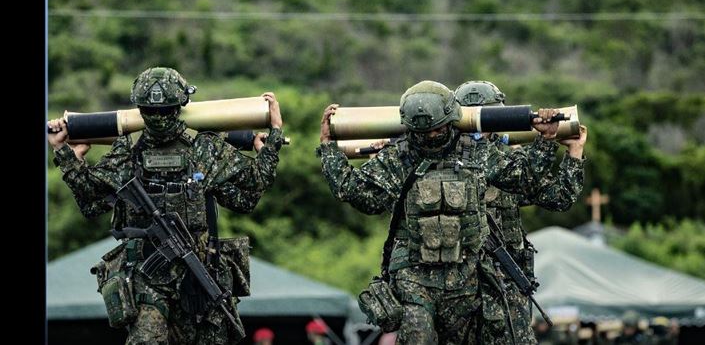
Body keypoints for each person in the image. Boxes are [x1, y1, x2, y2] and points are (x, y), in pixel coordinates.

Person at [316, 80, 584, 344]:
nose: (433, 136)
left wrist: (553, 144)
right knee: (418, 334)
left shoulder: (485, 157)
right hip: (420, 278)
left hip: (481, 281)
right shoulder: (402, 157)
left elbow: (535, 184)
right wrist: (330, 147)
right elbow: (359, 193)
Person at [48, 67, 285, 345]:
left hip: (196, 276)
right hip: (146, 279)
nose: (158, 117)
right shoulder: (189, 150)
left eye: (163, 110)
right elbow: (93, 202)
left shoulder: (150, 152)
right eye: (152, 111)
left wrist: (67, 155)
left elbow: (245, 198)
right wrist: (273, 138)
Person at [454, 80, 587, 345]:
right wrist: (545, 140)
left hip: (506, 282)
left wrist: (574, 152)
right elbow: (513, 174)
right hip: (463, 284)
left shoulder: (508, 156)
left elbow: (558, 198)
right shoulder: (456, 156)